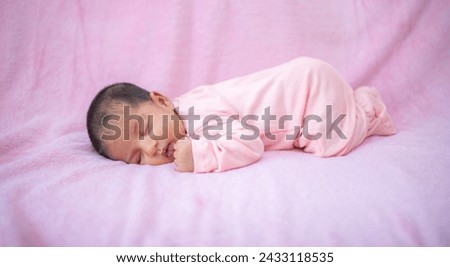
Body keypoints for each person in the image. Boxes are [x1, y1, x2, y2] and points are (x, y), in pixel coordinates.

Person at [86, 57, 396, 173]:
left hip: (309, 89)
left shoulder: (198, 114)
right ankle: (351, 104)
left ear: (162, 101)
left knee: (331, 144)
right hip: (302, 98)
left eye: (144, 130)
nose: (150, 148)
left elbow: (250, 143)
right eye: (138, 158)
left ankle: (368, 111)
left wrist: (200, 156)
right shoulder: (182, 119)